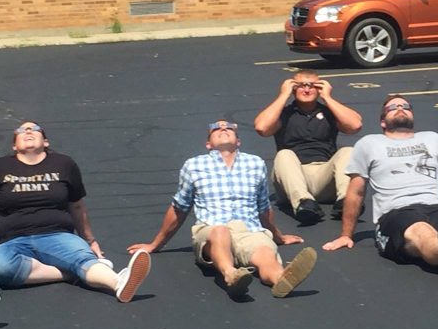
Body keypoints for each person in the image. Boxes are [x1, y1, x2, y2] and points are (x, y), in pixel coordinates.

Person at [0, 122, 150, 302]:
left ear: (45, 141)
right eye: (22, 131)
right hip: (12, 241)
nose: (28, 131)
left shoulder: (64, 164)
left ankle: (118, 283)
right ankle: (70, 272)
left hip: (57, 235)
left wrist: (91, 241)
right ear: (14, 146)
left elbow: (77, 206)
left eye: (34, 128)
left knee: (83, 257)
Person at [127, 120, 317, 300]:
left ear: (238, 141)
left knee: (265, 252)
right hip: (211, 230)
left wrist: (279, 237)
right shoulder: (194, 166)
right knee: (221, 231)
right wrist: (155, 245)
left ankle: (281, 278)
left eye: (230, 128)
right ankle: (231, 276)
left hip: (249, 230)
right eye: (216, 129)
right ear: (208, 144)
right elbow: (179, 208)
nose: (223, 129)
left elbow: (263, 207)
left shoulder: (255, 164)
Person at [322, 95, 438, 287]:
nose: (400, 108)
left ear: (412, 115)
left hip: (436, 206)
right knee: (421, 232)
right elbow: (356, 192)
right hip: (396, 212)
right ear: (383, 121)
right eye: (393, 107)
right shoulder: (368, 143)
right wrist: (346, 235)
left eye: (405, 106)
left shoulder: (433, 138)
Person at [254, 70, 363, 224]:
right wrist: (283, 95)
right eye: (300, 86)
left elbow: (355, 125)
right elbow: (262, 128)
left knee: (348, 151)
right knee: (284, 154)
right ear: (292, 89)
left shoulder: (329, 112)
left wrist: (327, 97)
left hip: (323, 176)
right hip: (292, 178)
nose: (306, 89)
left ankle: (345, 201)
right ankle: (303, 203)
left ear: (319, 89)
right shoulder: (284, 114)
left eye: (312, 86)